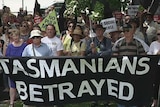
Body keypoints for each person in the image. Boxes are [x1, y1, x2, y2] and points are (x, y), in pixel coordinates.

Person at [22, 30, 53, 107]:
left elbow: (52, 60)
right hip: (32, 75)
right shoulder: (27, 48)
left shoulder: (47, 47)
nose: (35, 39)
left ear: (40, 38)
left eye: (37, 37)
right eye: (34, 37)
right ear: (31, 39)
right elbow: (22, 61)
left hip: (44, 74)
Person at [5, 28, 27, 107]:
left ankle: (24, 101)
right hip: (13, 69)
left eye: (17, 36)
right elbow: (7, 57)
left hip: (23, 69)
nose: (15, 38)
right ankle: (11, 102)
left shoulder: (25, 45)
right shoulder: (10, 46)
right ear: (12, 37)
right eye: (14, 36)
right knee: (12, 86)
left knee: (23, 85)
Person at [147, 29, 160, 107]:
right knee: (156, 84)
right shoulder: (153, 44)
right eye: (159, 34)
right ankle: (155, 101)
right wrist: (157, 53)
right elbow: (149, 54)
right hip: (157, 66)